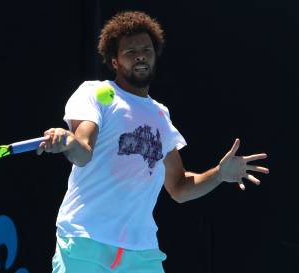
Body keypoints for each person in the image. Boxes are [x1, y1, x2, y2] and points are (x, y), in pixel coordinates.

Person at [37, 11, 269, 273]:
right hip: (86, 241)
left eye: (146, 49)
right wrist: (68, 142)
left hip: (142, 253)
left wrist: (219, 174)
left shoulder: (161, 116)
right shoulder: (95, 94)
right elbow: (83, 151)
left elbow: (179, 187)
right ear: (114, 61)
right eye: (130, 51)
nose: (140, 55)